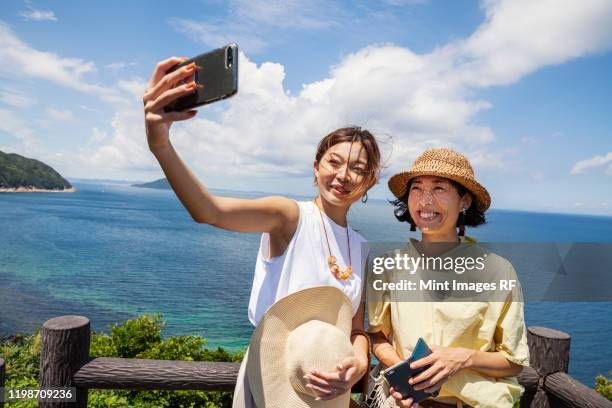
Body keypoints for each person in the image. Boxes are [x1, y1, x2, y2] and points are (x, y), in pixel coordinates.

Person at [142, 57, 382, 406]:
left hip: (328, 392)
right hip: (272, 381)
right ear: (316, 168)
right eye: (333, 162)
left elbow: (356, 328)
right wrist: (161, 145)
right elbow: (209, 211)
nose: (344, 175)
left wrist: (359, 363)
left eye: (358, 169)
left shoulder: (359, 247)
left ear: (369, 182)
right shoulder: (288, 216)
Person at [367, 148, 529, 408]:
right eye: (417, 188)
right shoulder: (388, 266)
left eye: (439, 188)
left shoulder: (498, 271)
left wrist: (461, 358)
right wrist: (404, 372)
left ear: (464, 201)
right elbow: (377, 337)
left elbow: (513, 362)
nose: (425, 199)